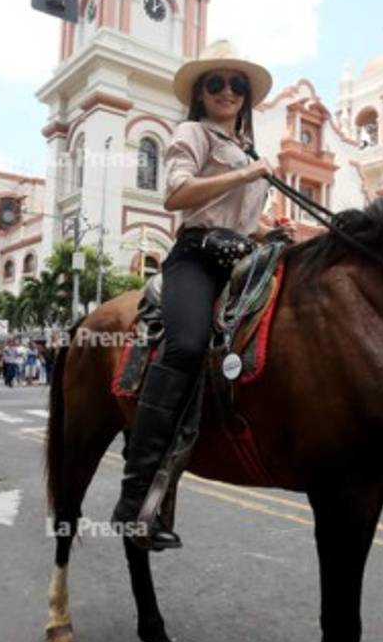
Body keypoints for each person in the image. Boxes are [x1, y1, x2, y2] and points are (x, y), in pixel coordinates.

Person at [110, 40, 277, 551]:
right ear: (200, 93)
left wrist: (271, 229)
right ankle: (135, 498)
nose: (227, 91)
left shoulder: (248, 150)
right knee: (186, 344)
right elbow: (177, 195)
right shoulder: (192, 133)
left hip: (242, 259)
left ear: (245, 96)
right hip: (196, 258)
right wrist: (247, 174)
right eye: (216, 83)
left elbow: (242, 218)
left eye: (237, 84)